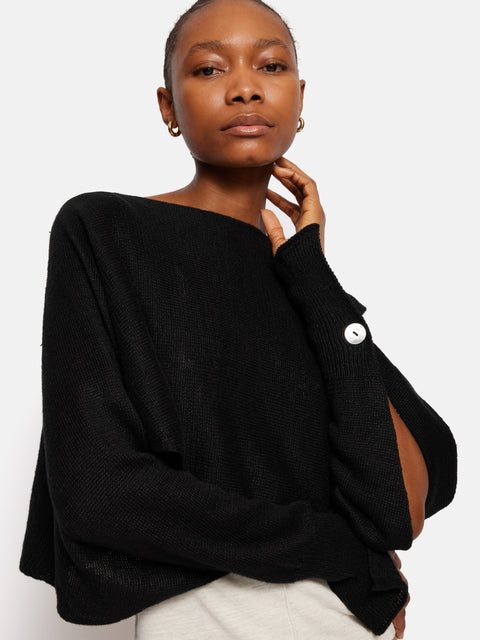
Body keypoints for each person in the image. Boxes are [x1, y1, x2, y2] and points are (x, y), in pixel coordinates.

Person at [19, 1, 457, 639]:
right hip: (212, 616)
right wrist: (334, 547)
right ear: (168, 107)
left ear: (300, 99)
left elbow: (399, 512)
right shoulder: (107, 232)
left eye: (271, 66)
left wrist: (316, 282)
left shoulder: (304, 283)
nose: (246, 87)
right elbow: (100, 493)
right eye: (208, 69)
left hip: (342, 621)